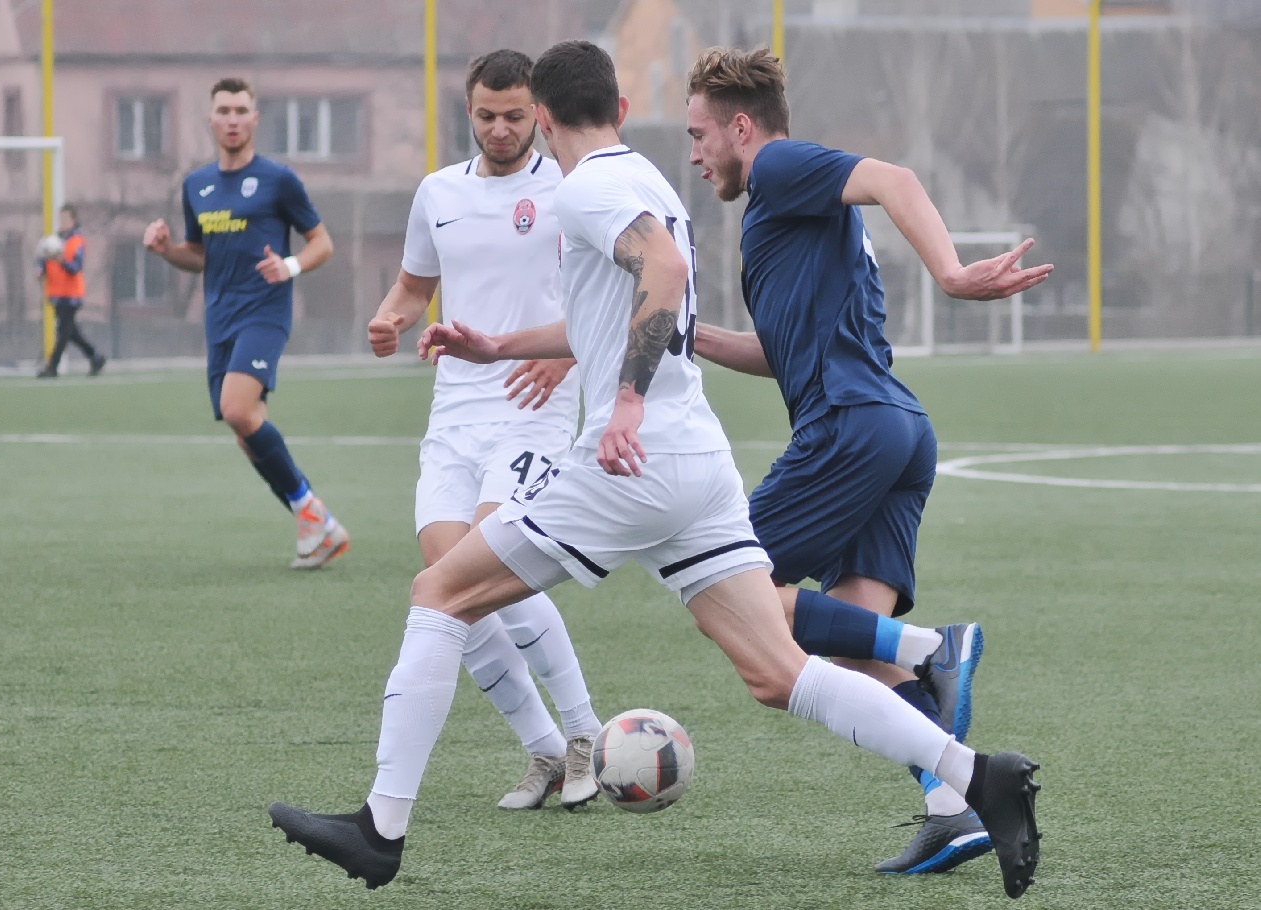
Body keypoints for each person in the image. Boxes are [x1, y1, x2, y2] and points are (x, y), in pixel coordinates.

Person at [267, 40, 1042, 901]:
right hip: (695, 464)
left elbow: (662, 274)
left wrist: (626, 402)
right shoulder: (648, 181)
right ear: (622, 111)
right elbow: (614, 311)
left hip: (629, 465)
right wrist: (496, 345)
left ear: (545, 120)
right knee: (776, 672)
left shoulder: (584, 188)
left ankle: (379, 828)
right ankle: (974, 776)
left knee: (438, 593)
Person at [683, 46, 1054, 875]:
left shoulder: (777, 166)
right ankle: (952, 806)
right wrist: (684, 332)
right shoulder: (792, 215)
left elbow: (895, 179)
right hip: (893, 430)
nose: (696, 155)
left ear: (741, 128)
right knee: (854, 653)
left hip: (848, 427)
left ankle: (932, 647)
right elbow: (780, 352)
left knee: (725, 590)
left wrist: (950, 274)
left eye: (699, 135)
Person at [367, 49, 601, 811]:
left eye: (515, 116)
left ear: (539, 113)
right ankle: (543, 748)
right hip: (453, 415)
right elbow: (414, 285)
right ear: (468, 112)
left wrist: (567, 355)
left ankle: (584, 733)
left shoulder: (571, 188)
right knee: (449, 589)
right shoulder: (438, 192)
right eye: (487, 116)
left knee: (494, 561)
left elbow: (616, 288)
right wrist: (391, 317)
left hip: (533, 408)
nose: (500, 129)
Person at [143, 77, 348, 570]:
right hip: (219, 318)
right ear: (211, 119)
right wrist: (167, 250)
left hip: (265, 312)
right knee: (245, 430)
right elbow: (200, 255)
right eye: (224, 111)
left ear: (255, 119)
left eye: (240, 111)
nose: (232, 119)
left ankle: (313, 513)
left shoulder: (278, 180)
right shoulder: (196, 185)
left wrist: (290, 266)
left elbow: (322, 243)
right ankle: (315, 526)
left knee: (237, 410)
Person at [37, 204, 106, 378]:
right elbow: (44, 260)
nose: (63, 222)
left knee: (63, 332)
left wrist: (62, 261)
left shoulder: (77, 241)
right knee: (71, 333)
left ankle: (52, 367)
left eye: (66, 219)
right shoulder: (54, 240)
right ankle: (96, 357)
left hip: (71, 294)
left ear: (74, 220)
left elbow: (76, 267)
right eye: (61, 219)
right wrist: (40, 269)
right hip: (56, 293)